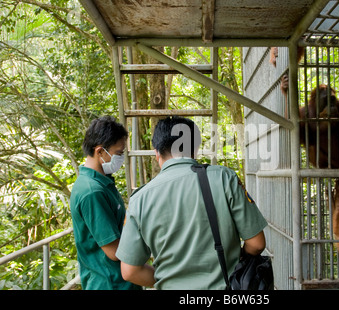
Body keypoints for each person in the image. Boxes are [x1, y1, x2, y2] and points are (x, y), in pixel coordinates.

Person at [116, 116, 268, 289]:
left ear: (156, 152)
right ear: (195, 149)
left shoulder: (139, 199)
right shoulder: (224, 178)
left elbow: (129, 271)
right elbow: (256, 244)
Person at [70, 116, 141, 290]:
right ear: (100, 151)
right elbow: (114, 251)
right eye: (118, 153)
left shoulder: (102, 182)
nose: (121, 159)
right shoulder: (92, 192)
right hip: (110, 283)